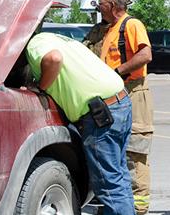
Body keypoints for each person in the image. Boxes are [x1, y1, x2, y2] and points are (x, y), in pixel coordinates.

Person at [25, 32, 135, 215]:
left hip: (100, 113)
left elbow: (53, 59)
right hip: (120, 102)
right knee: (119, 178)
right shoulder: (59, 38)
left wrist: (40, 87)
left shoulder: (36, 43)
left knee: (109, 184)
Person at [92, 0, 154, 215]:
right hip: (114, 94)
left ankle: (138, 209)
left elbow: (145, 55)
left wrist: (118, 72)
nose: (99, 9)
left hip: (133, 92)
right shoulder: (107, 29)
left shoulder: (132, 24)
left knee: (135, 152)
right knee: (115, 151)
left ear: (114, 6)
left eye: (102, 5)